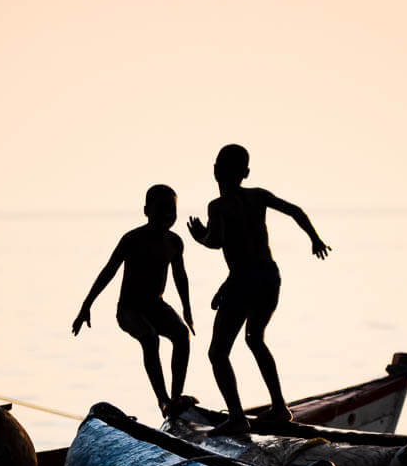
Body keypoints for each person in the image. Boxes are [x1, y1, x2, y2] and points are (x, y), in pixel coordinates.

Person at [187, 144, 330, 435]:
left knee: (217, 353)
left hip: (244, 281)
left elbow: (216, 243)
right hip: (268, 277)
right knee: (255, 339)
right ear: (246, 173)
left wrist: (199, 236)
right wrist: (314, 239)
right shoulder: (258, 196)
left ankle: (238, 417)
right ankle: (280, 407)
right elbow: (295, 211)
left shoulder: (218, 206)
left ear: (215, 170)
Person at [72, 184, 197, 417]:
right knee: (150, 337)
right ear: (146, 211)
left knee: (182, 335)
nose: (167, 216)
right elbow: (107, 272)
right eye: (161, 210)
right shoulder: (132, 239)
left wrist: (187, 309)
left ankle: (175, 398)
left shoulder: (174, 242)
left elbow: (181, 277)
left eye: (171, 210)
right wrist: (86, 306)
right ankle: (163, 400)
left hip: (156, 306)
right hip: (129, 309)